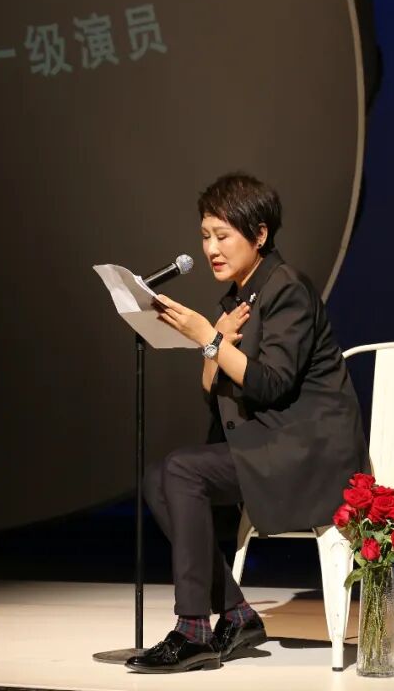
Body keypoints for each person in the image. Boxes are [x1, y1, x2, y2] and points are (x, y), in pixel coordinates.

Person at [125, 172, 369, 673]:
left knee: (181, 470)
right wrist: (213, 341)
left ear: (259, 234)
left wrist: (208, 339)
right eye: (205, 236)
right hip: (269, 448)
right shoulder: (239, 300)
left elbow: (272, 384)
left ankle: (194, 629)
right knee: (158, 476)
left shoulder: (286, 289)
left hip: (310, 455)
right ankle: (236, 613)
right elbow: (214, 392)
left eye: (223, 235)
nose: (211, 249)